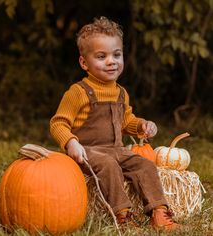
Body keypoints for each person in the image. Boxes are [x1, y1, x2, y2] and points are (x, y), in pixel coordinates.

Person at [50, 16, 181, 231]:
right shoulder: (79, 92)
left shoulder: (121, 93)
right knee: (109, 166)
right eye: (101, 57)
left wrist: (141, 125)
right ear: (84, 63)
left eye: (116, 55)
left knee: (145, 164)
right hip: (87, 152)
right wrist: (71, 143)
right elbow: (58, 123)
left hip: (116, 150)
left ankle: (158, 212)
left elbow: (126, 120)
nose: (111, 61)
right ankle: (122, 215)